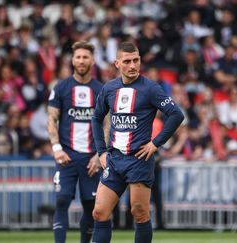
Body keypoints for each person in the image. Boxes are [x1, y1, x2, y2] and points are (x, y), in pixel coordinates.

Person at [91, 42, 184, 243]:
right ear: (117, 63)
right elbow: (96, 118)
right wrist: (101, 151)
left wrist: (155, 144)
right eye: (127, 61)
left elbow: (176, 114)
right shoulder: (109, 88)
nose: (133, 65)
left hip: (139, 159)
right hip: (115, 159)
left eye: (136, 60)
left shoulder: (150, 88)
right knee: (99, 212)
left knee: (139, 212)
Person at [47, 42, 102, 243]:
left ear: (92, 60)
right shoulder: (61, 87)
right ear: (72, 60)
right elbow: (51, 119)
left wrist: (100, 154)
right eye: (78, 57)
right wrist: (56, 148)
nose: (81, 61)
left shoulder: (101, 89)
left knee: (91, 206)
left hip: (91, 159)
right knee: (62, 201)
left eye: (85, 57)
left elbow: (107, 125)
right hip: (66, 156)